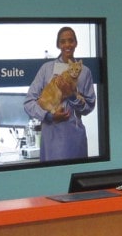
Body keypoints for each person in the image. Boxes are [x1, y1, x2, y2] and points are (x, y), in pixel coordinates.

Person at [24, 26, 96, 162]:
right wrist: (49, 116)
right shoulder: (46, 69)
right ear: (58, 45)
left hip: (75, 136)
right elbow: (28, 103)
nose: (67, 45)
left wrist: (72, 95)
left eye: (71, 41)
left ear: (76, 43)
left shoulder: (84, 72)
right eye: (63, 41)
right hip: (51, 137)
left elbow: (89, 106)